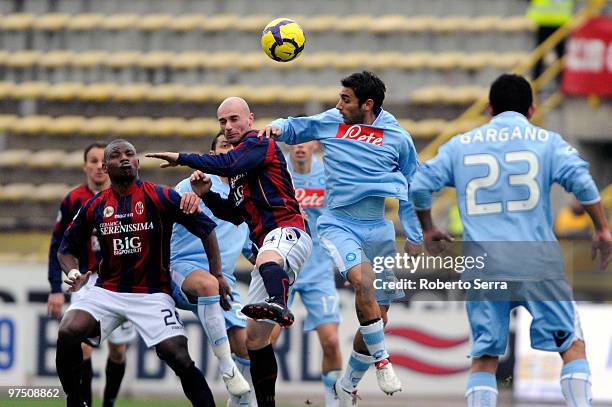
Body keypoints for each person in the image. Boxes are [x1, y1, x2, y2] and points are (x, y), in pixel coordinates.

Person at [410, 73, 611, 407]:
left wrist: (428, 226)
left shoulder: (461, 145)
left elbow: (419, 186)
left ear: (489, 108)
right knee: (572, 345)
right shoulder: (546, 141)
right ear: (532, 109)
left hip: (484, 264)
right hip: (537, 261)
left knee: (485, 358)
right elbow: (584, 183)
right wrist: (602, 227)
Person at [260, 71, 423, 405]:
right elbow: (296, 126)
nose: (338, 104)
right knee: (363, 281)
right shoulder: (332, 121)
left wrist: (415, 234)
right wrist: (276, 126)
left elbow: (413, 187)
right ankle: (383, 362)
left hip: (378, 228)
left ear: (368, 105)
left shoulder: (397, 138)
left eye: (345, 99)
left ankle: (346, 384)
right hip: (338, 224)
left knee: (378, 315)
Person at [146, 97, 312, 407]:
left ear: (250, 118)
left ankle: (277, 301)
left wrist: (183, 157)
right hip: (196, 267)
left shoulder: (259, 143)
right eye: (222, 123)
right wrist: (204, 196)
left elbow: (231, 163)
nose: (228, 128)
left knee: (265, 258)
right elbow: (235, 216)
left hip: (287, 230)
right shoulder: (233, 181)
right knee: (255, 342)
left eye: (234, 120)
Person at [56, 139, 223, 407]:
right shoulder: (95, 205)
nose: (124, 158)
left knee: (178, 356)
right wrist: (73, 271)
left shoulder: (160, 195)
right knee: (68, 331)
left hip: (153, 294)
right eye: (116, 155)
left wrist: (218, 274)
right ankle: (75, 400)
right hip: (107, 291)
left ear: (137, 163)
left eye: (129, 154)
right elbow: (65, 248)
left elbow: (205, 227)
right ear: (105, 167)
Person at [47, 142, 137, 407]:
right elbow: (58, 246)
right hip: (85, 282)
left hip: (120, 282)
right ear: (85, 165)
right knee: (81, 345)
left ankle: (108, 402)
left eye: (102, 161)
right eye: (93, 161)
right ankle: (82, 402)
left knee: (118, 351)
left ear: (109, 166)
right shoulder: (73, 200)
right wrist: (55, 287)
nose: (99, 166)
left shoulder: (128, 197)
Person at [170, 131, 255, 406]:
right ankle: (226, 368)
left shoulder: (246, 196)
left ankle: (239, 401)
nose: (229, 149)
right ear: (212, 155)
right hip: (182, 270)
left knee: (248, 345)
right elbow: (164, 221)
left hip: (224, 281)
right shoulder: (190, 184)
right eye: (224, 145)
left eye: (234, 146)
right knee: (208, 284)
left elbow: (249, 248)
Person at [275, 141, 342, 407]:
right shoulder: (279, 174)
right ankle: (259, 397)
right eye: (294, 144)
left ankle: (333, 400)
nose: (299, 148)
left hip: (319, 271)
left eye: (304, 144)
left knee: (332, 341)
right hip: (285, 269)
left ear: (315, 145)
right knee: (266, 340)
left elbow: (340, 220)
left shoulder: (328, 176)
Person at [527, 0, 574, 81]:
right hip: (555, 20)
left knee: (542, 54)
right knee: (544, 54)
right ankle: (561, 83)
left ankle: (536, 82)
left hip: (549, 21)